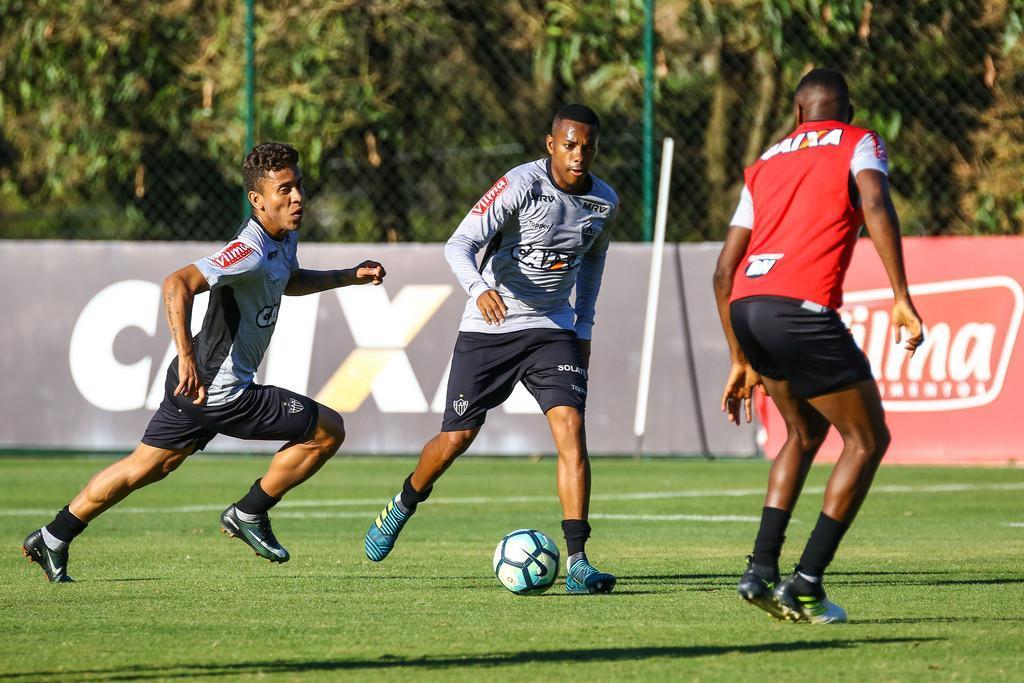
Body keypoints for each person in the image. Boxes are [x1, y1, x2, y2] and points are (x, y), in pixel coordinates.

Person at [22, 142, 386, 582]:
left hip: (198, 388)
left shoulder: (284, 236)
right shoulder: (248, 249)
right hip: (221, 390)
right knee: (328, 431)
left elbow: (287, 280)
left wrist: (349, 276)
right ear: (257, 201)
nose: (297, 198)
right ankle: (249, 512)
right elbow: (176, 284)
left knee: (145, 467)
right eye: (285, 190)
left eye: (299, 186)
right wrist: (187, 358)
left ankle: (53, 536)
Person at [363, 104, 618, 594]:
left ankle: (579, 561)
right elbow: (458, 244)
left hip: (552, 329)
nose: (578, 155)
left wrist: (583, 330)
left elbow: (592, 266)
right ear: (551, 145)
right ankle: (404, 502)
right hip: (491, 328)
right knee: (456, 439)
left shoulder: (604, 202)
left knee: (571, 428)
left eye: (587, 147)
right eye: (569, 145)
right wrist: (479, 288)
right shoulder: (521, 184)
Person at [712, 68, 924, 623]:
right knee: (867, 440)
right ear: (846, 112)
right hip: (799, 309)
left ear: (798, 113)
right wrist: (901, 295)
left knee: (804, 432)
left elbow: (723, 270)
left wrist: (739, 357)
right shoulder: (859, 141)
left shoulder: (764, 161)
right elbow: (875, 203)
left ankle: (760, 570)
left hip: (748, 307)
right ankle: (805, 584)